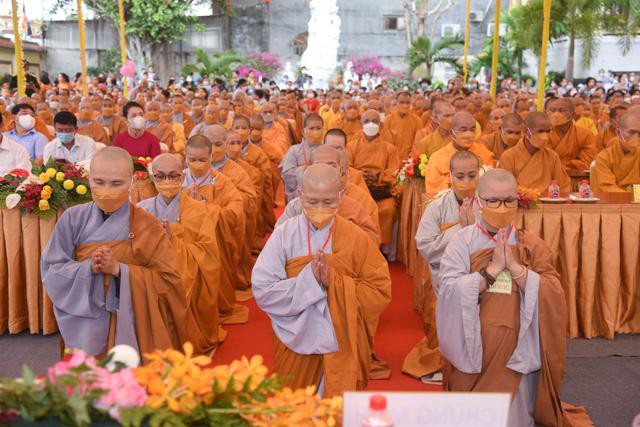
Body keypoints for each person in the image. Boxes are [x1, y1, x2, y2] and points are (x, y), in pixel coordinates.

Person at [436, 168, 590, 426]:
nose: (501, 207)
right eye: (493, 201)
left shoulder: (530, 243)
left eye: (508, 200)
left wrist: (519, 271)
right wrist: (491, 272)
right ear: (479, 201)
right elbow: (448, 291)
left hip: (520, 341)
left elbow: (554, 292)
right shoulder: (461, 242)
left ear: (517, 201)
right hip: (476, 341)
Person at [252, 163, 392, 397]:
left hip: (341, 340)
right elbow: (263, 290)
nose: (320, 209)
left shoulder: (356, 237)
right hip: (294, 340)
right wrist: (310, 282)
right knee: (296, 408)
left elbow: (379, 291)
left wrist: (335, 283)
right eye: (312, 202)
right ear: (300, 195)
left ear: (340, 196)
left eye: (328, 202)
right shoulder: (284, 234)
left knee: (336, 410)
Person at [41, 147, 187, 357]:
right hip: (85, 317)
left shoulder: (148, 225)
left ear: (131, 182)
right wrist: (87, 268)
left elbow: (169, 281)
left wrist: (120, 270)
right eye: (99, 182)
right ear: (89, 179)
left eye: (116, 183)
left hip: (130, 319)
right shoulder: (72, 219)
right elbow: (51, 269)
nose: (107, 190)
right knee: (88, 382)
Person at [403, 150, 481, 382]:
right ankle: (443, 361)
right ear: (450, 177)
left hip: (481, 276)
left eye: (471, 175)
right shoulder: (436, 207)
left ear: (480, 175)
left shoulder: (487, 204)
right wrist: (462, 230)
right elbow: (425, 245)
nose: (466, 182)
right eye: (460, 176)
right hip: (443, 277)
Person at [138, 153, 225, 355]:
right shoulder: (142, 209)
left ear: (183, 177)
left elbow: (208, 256)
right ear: (152, 177)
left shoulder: (198, 210)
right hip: (151, 276)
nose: (167, 181)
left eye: (173, 176)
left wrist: (173, 241)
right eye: (160, 176)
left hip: (187, 278)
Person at [182, 135, 249, 324]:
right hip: (185, 243)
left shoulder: (222, 182)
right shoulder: (178, 180)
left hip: (214, 244)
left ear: (212, 157)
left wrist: (205, 207)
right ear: (184, 157)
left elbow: (235, 212)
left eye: (203, 159)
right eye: (192, 159)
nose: (197, 164)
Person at [277, 145, 381, 245]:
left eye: (331, 166)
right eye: (318, 165)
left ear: (341, 171)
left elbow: (371, 242)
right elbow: (278, 238)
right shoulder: (296, 206)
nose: (325, 170)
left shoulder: (356, 206)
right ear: (308, 170)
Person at [204, 125, 259, 293]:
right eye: (210, 144)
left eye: (219, 144)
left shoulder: (236, 171)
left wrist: (223, 202)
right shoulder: (198, 167)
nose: (214, 149)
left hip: (225, 223)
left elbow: (250, 199)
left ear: (226, 145)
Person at [347, 109, 401, 248]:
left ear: (381, 125)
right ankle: (359, 245)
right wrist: (360, 175)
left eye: (375, 121)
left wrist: (377, 175)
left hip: (380, 190)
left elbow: (394, 172)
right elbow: (347, 169)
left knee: (388, 209)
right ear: (361, 124)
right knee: (356, 208)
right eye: (367, 121)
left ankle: (379, 246)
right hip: (358, 189)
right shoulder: (351, 146)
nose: (371, 124)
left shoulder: (390, 148)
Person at [499, 112, 571, 194]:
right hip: (520, 203)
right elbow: (506, 187)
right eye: (540, 131)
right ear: (526, 131)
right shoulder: (508, 156)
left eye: (548, 131)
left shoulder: (552, 156)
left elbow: (563, 186)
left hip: (548, 203)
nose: (545, 136)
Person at [425, 111, 495, 194]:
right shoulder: (437, 159)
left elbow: (491, 184)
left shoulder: (483, 152)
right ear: (451, 133)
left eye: (472, 129)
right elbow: (433, 191)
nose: (468, 134)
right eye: (463, 130)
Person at [232, 114, 275, 240]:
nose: (240, 131)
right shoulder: (225, 150)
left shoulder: (258, 153)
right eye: (237, 128)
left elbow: (266, 181)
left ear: (249, 131)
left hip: (253, 195)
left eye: (244, 128)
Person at [591, 110, 640, 192]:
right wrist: (631, 197)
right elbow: (607, 188)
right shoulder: (604, 158)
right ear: (618, 132)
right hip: (614, 202)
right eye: (631, 133)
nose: (636, 138)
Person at [280, 113, 324, 202]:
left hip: (323, 195)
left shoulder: (327, 151)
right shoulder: (294, 150)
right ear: (303, 132)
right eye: (311, 128)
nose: (315, 131)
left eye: (318, 128)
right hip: (299, 197)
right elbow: (286, 174)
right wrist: (308, 170)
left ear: (323, 130)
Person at [546, 97, 596, 170]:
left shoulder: (586, 134)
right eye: (553, 110)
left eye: (562, 110)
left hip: (575, 177)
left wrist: (558, 166)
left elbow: (586, 161)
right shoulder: (544, 133)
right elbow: (543, 160)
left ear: (572, 115)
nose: (556, 114)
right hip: (549, 176)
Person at [382, 91, 423, 159]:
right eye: (401, 102)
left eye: (407, 103)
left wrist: (412, 156)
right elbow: (384, 141)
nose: (405, 105)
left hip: (410, 158)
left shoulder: (417, 120)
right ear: (397, 103)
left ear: (410, 103)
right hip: (392, 157)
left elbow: (419, 142)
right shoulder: (388, 119)